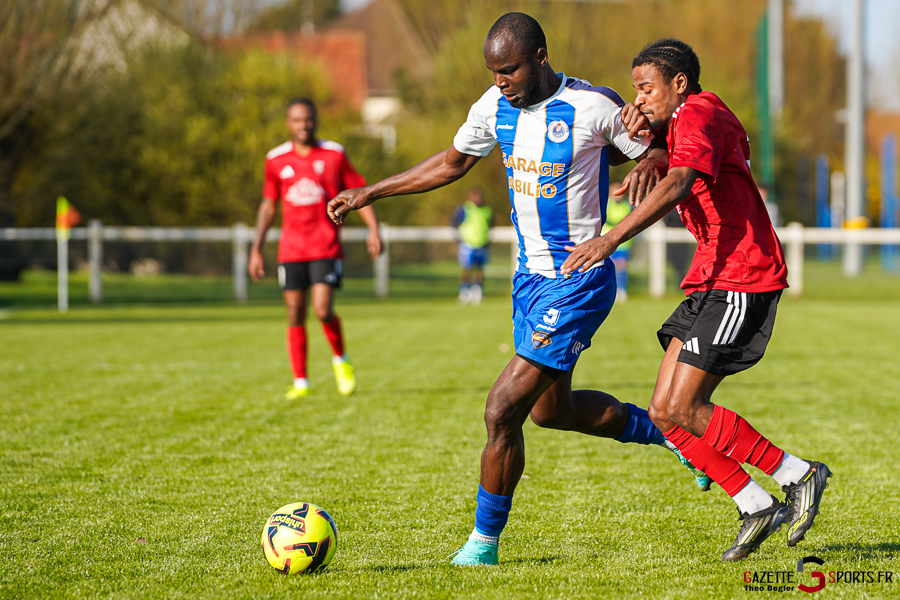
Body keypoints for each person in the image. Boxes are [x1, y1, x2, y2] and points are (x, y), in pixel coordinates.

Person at [328, 13, 709, 566]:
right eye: (494, 71)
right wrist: (372, 192)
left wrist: (649, 158)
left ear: (541, 57)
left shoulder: (591, 107)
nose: (500, 80)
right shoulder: (493, 107)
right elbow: (454, 161)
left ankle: (483, 544)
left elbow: (659, 147)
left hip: (578, 280)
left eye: (509, 70)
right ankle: (672, 436)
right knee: (550, 412)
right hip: (528, 281)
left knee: (501, 409)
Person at [562, 39, 831, 561]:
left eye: (646, 88)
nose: (638, 99)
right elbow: (672, 157)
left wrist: (610, 238)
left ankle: (797, 474)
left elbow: (683, 179)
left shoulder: (701, 113)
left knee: (685, 404)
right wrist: (651, 148)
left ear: (679, 84)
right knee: (664, 413)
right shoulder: (685, 120)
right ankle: (755, 503)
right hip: (711, 277)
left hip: (742, 274)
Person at [249, 97, 382, 399]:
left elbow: (357, 192)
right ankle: (300, 382)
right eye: (297, 120)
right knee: (295, 313)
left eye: (307, 119)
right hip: (291, 250)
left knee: (322, 310)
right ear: (288, 123)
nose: (303, 125)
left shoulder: (334, 154)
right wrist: (256, 247)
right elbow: (269, 205)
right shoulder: (276, 160)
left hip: (325, 246)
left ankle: (341, 361)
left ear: (315, 121)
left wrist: (374, 229)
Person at [451, 188, 494, 304]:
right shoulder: (465, 209)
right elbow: (454, 223)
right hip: (467, 244)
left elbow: (491, 225)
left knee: (479, 269)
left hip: (482, 244)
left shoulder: (487, 210)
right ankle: (464, 292)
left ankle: (477, 293)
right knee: (466, 269)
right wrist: (458, 239)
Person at [601, 182, 632, 302]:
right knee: (608, 266)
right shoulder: (606, 203)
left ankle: (621, 290)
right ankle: (606, 290)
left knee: (621, 267)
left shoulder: (626, 205)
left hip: (623, 242)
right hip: (606, 240)